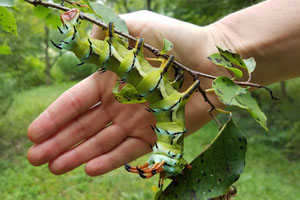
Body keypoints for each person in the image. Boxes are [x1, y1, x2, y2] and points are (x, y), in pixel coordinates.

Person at [27, 0, 300, 177]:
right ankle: (79, 42)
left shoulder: (168, 119)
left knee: (130, 69)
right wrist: (220, 44)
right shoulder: (168, 117)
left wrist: (221, 44)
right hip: (143, 78)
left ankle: (79, 43)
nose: (155, 167)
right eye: (166, 162)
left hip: (144, 80)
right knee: (130, 69)